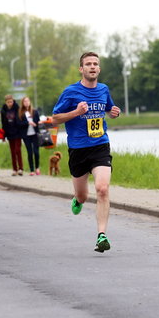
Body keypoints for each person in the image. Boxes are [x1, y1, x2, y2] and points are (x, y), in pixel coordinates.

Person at [52, 52, 120, 253]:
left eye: (95, 64)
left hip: (100, 146)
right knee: (82, 196)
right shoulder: (71, 92)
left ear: (99, 69)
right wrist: (76, 113)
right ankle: (78, 199)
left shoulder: (103, 89)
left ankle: (101, 236)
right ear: (81, 69)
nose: (92, 67)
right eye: (88, 64)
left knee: (102, 189)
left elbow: (109, 108)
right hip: (78, 150)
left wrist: (113, 112)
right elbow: (55, 118)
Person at [0, 94, 23, 176]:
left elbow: (21, 119)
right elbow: (3, 123)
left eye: (11, 101)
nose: (10, 103)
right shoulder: (3, 110)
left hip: (17, 132)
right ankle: (14, 169)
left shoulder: (17, 108)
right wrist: (3, 136)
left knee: (17, 150)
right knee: (12, 152)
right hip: (9, 133)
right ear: (6, 102)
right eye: (8, 102)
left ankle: (20, 168)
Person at [18, 96, 40, 176]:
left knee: (36, 152)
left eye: (27, 101)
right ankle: (31, 170)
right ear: (22, 103)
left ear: (30, 102)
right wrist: (28, 123)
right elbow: (19, 124)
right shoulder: (20, 113)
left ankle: (37, 167)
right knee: (30, 152)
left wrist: (36, 124)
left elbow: (38, 122)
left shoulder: (35, 111)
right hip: (26, 135)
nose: (26, 102)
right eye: (25, 101)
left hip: (34, 134)